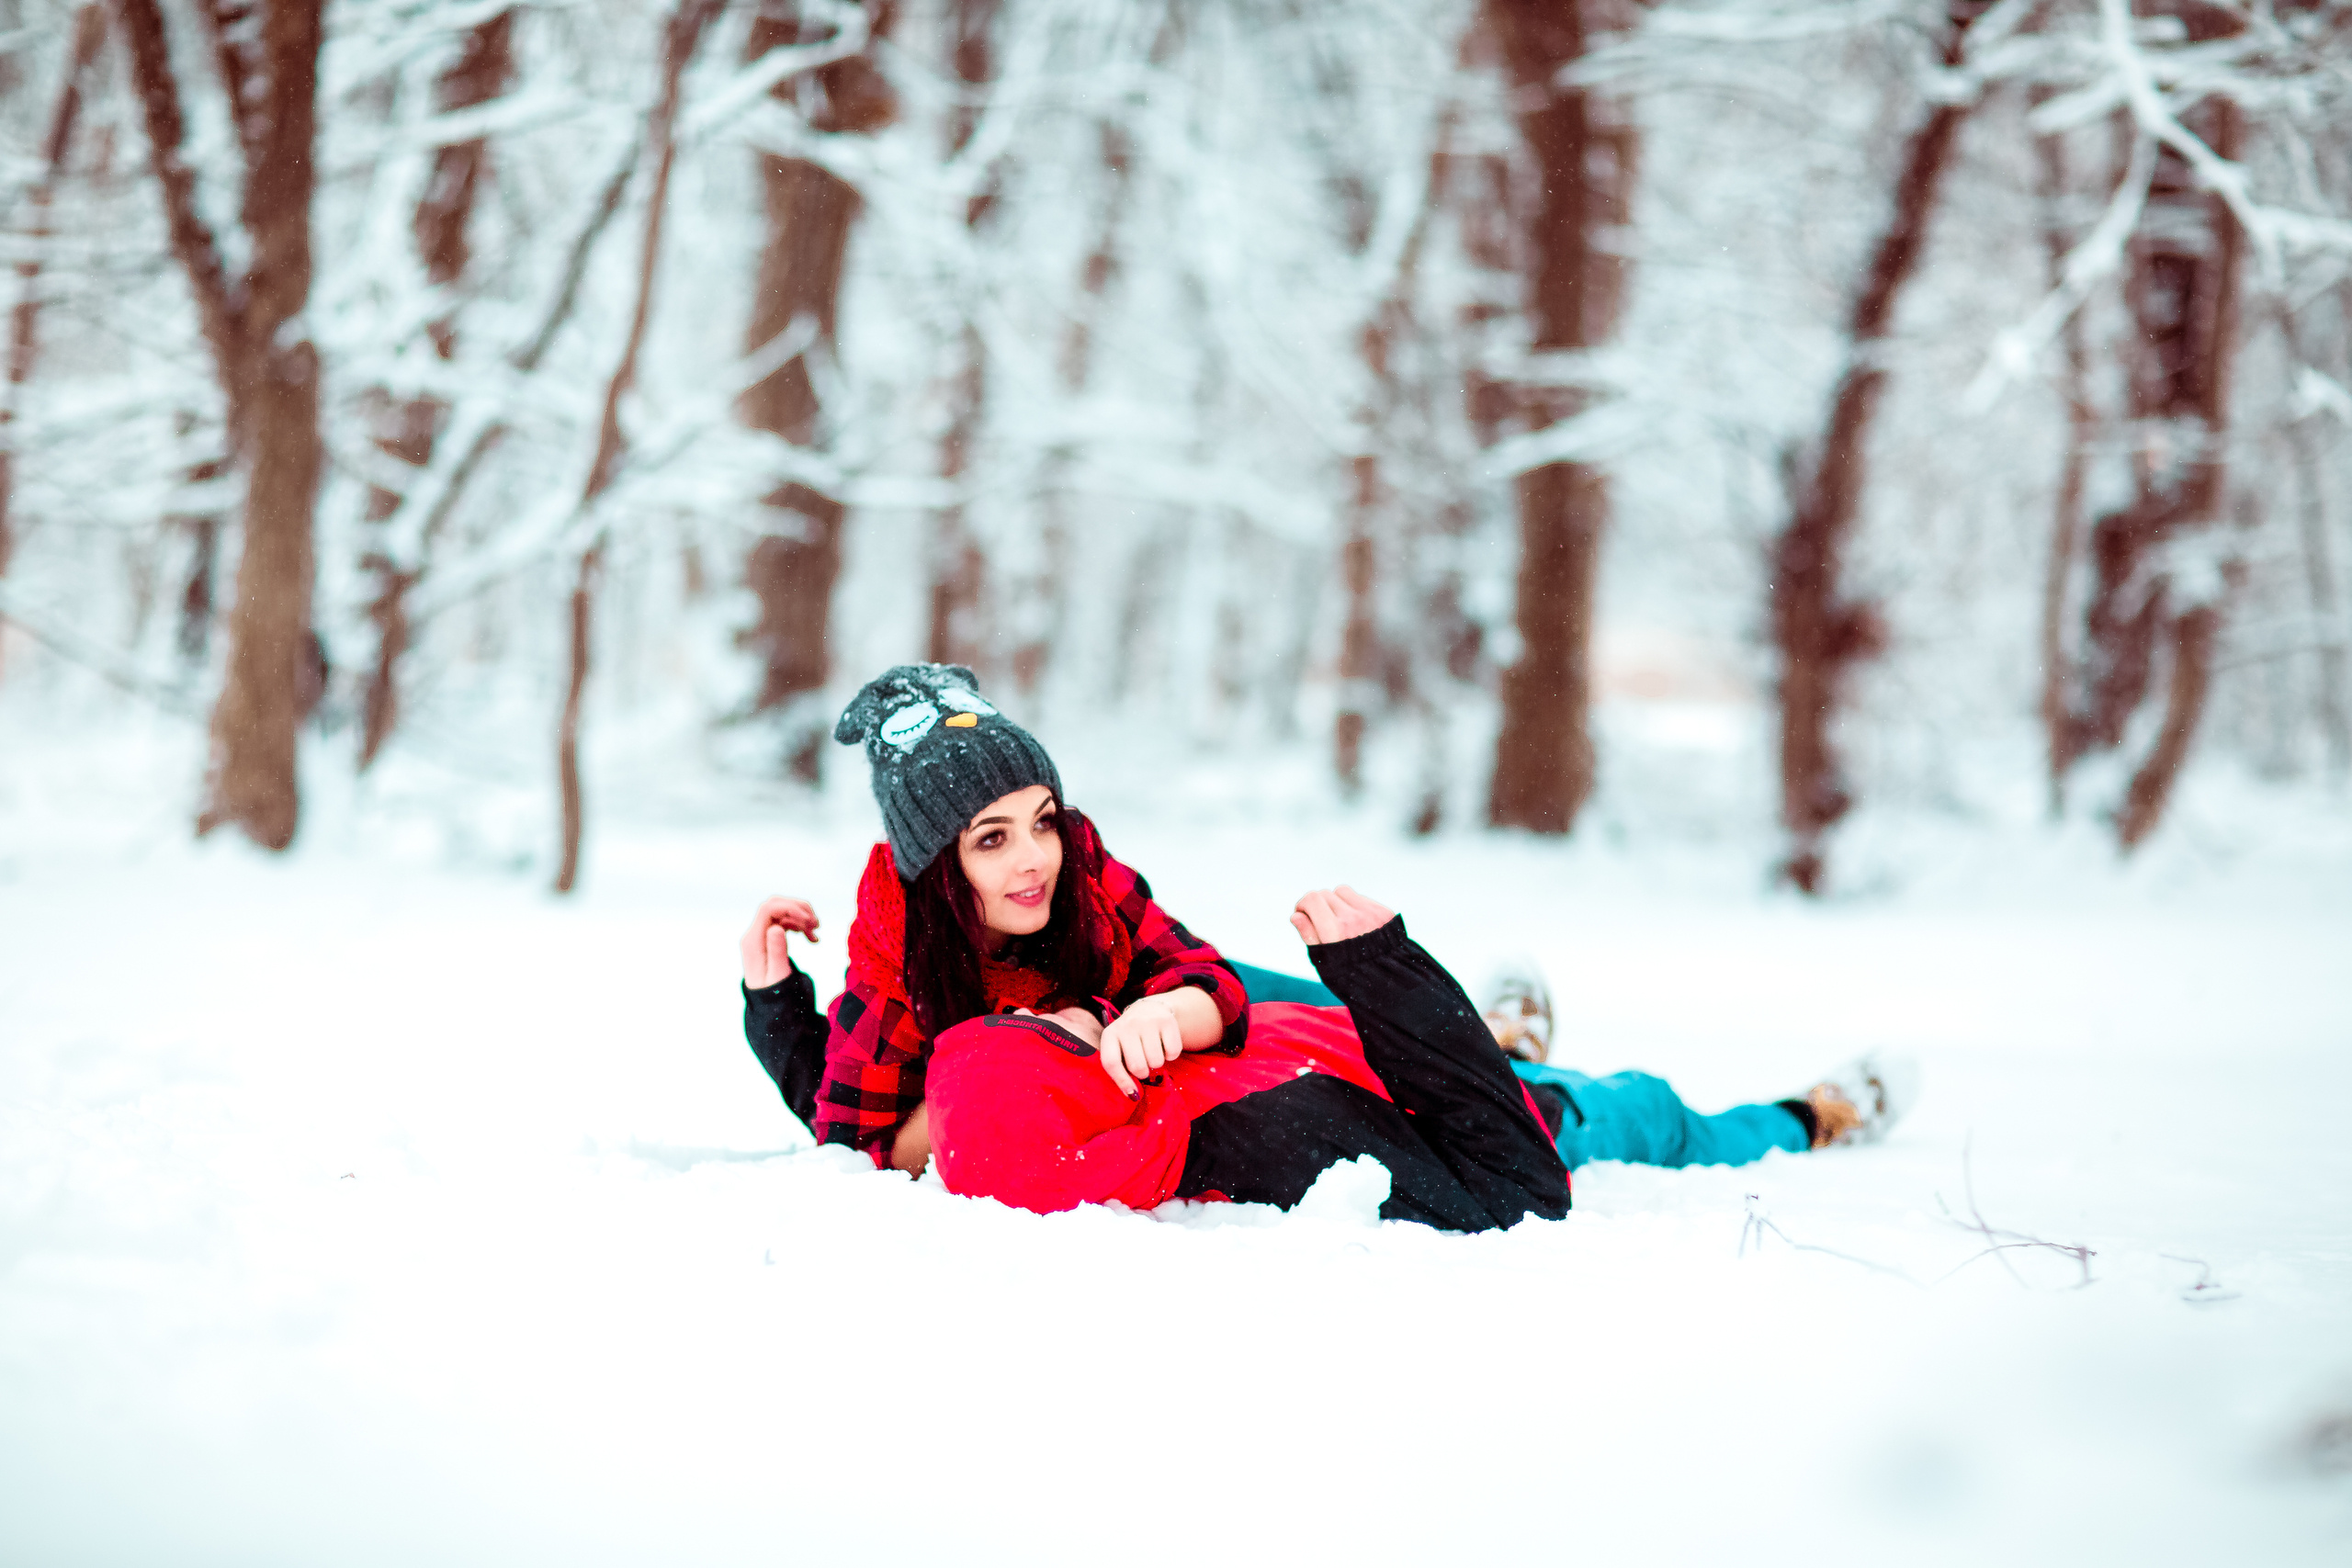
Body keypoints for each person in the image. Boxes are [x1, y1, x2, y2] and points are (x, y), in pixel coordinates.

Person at [739, 663, 1914, 1230]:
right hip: (1225, 1083)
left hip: (1222, 1028)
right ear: (935, 867)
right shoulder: (903, 965)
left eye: (1040, 819)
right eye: (991, 840)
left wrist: (1167, 1013)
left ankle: (1517, 1053)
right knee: (1566, 1103)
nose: (1032, 858)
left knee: (1428, 1050)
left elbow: (1197, 972)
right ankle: (1786, 1113)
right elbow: (859, 1130)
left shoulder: (1082, 879)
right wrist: (772, 1003)